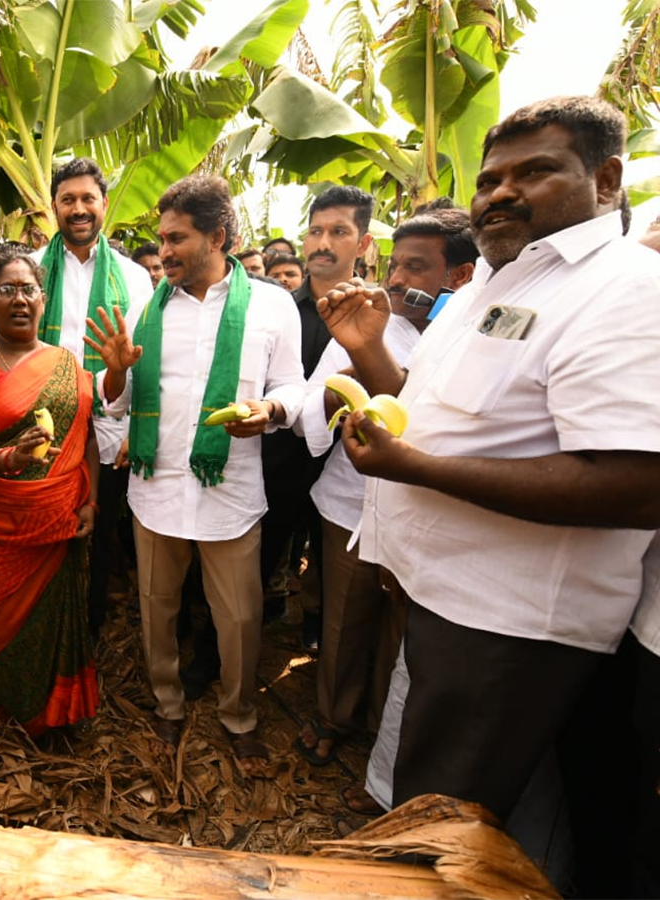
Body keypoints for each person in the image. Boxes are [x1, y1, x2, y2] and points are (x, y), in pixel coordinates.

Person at [316, 96, 660, 838]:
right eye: (489, 179)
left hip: (510, 626)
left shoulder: (624, 291)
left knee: (447, 827)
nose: (500, 193)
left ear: (605, 180)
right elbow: (427, 411)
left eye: (534, 172)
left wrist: (415, 471)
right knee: (440, 800)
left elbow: (634, 484)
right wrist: (369, 350)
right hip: (443, 595)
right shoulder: (485, 290)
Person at [87, 175, 305, 776]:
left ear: (220, 236)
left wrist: (270, 411)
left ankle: (238, 715)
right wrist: (112, 371)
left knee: (239, 617)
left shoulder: (271, 305)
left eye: (177, 239)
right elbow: (119, 400)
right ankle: (168, 701)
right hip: (156, 490)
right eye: (161, 239)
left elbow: (293, 386)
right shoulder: (145, 306)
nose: (165, 252)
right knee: (156, 607)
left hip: (230, 491)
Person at [295, 210, 477, 784]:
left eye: (416, 267)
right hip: (351, 502)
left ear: (461, 277)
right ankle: (332, 718)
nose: (396, 280)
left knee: (402, 634)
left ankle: (383, 733)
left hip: (428, 514)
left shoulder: (472, 335)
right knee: (346, 619)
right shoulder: (368, 321)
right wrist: (347, 387)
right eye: (394, 264)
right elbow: (311, 406)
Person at [0, 248, 99, 734]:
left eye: (28, 289)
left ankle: (62, 715)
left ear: (43, 300)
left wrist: (91, 501)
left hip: (61, 520)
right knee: (3, 623)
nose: (19, 299)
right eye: (6, 290)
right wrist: (7, 458)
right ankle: (10, 716)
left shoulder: (66, 362)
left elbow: (86, 437)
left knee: (60, 619)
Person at [34, 158, 154, 641]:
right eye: (68, 200)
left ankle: (87, 632)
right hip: (42, 425)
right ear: (55, 207)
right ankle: (43, 630)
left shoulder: (135, 277)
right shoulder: (32, 271)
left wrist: (131, 429)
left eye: (88, 199)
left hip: (108, 422)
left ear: (105, 205)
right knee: (45, 530)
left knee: (99, 532)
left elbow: (141, 358)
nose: (79, 209)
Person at [261, 186, 374, 645]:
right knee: (266, 548)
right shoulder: (277, 308)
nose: (323, 243)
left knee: (329, 560)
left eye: (339, 232)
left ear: (363, 243)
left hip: (346, 461)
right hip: (278, 454)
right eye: (315, 231)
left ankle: (317, 631)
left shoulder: (377, 312)